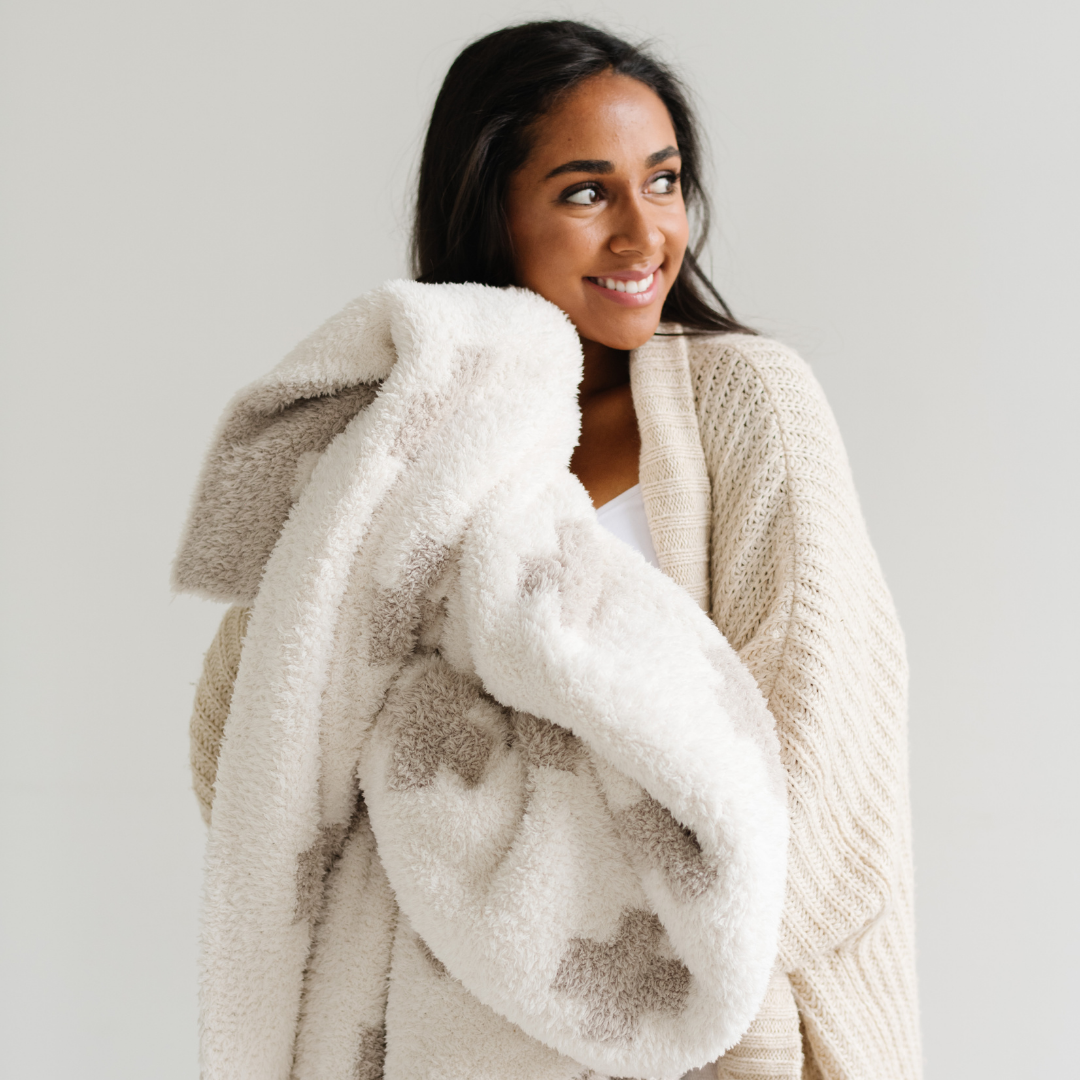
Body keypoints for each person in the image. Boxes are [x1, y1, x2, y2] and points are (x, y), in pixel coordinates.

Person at [176, 20, 919, 1080]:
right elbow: (258, 738)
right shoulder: (410, 443)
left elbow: (823, 777)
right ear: (492, 210)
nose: (643, 234)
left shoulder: (747, 403)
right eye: (586, 193)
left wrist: (615, 958)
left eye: (663, 182)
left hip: (709, 1039)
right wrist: (436, 800)